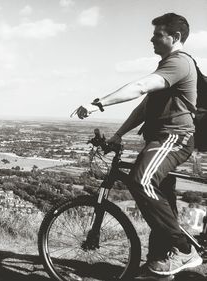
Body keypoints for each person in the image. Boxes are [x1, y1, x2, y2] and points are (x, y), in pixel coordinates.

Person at [72, 13, 202, 276]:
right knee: (161, 203)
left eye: (157, 34)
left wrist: (98, 104)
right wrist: (119, 134)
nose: (151, 39)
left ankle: (185, 251)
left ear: (175, 37)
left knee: (141, 181)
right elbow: (144, 108)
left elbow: (141, 86)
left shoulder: (179, 63)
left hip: (173, 138)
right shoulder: (168, 68)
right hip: (160, 139)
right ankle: (160, 263)